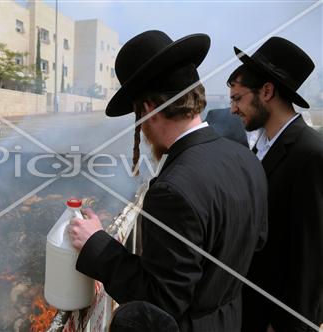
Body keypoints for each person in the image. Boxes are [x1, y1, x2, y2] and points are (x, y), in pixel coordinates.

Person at [68, 30, 268, 332]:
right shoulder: (246, 159)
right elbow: (257, 241)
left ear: (148, 109)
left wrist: (97, 244)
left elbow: (160, 301)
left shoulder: (172, 191)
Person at [227, 36, 323, 332]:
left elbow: (313, 259)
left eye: (238, 98)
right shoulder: (263, 148)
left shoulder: (310, 154)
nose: (232, 110)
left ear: (267, 91)